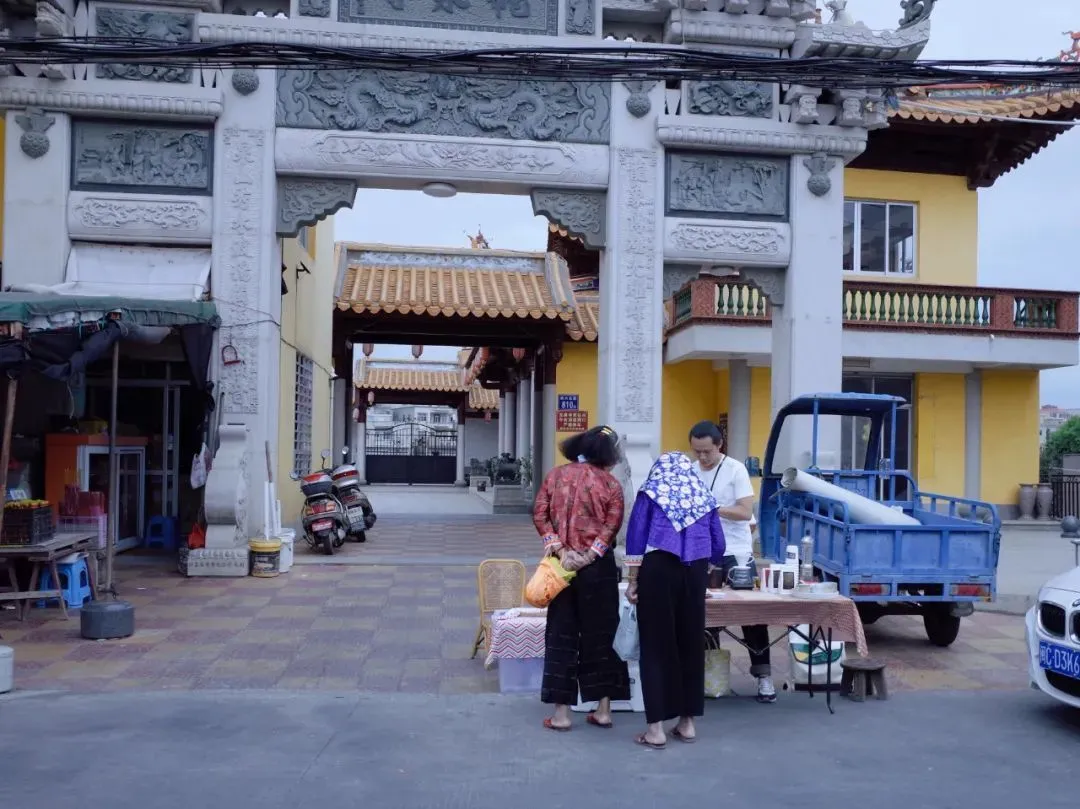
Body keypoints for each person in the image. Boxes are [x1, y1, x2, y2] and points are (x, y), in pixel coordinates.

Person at [532, 425, 630, 731]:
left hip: (562, 568)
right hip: (597, 570)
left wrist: (561, 551)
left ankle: (562, 714)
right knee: (602, 635)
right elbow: (611, 527)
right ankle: (603, 710)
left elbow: (539, 514)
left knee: (562, 635)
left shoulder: (555, 476)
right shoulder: (612, 485)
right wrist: (588, 556)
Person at [625, 452, 726, 749]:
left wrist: (633, 580)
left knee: (656, 646)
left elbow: (636, 536)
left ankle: (655, 730)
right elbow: (718, 543)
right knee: (691, 643)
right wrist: (705, 568)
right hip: (694, 570)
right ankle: (687, 723)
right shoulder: (702, 495)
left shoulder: (652, 491)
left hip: (658, 568)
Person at [689, 420, 776, 703]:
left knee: (751, 616)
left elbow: (744, 511)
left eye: (706, 452)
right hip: (701, 551)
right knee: (703, 614)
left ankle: (764, 677)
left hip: (736, 551)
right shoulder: (690, 470)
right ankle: (706, 676)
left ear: (719, 446)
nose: (701, 458)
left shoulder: (736, 469)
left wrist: (712, 510)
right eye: (697, 452)